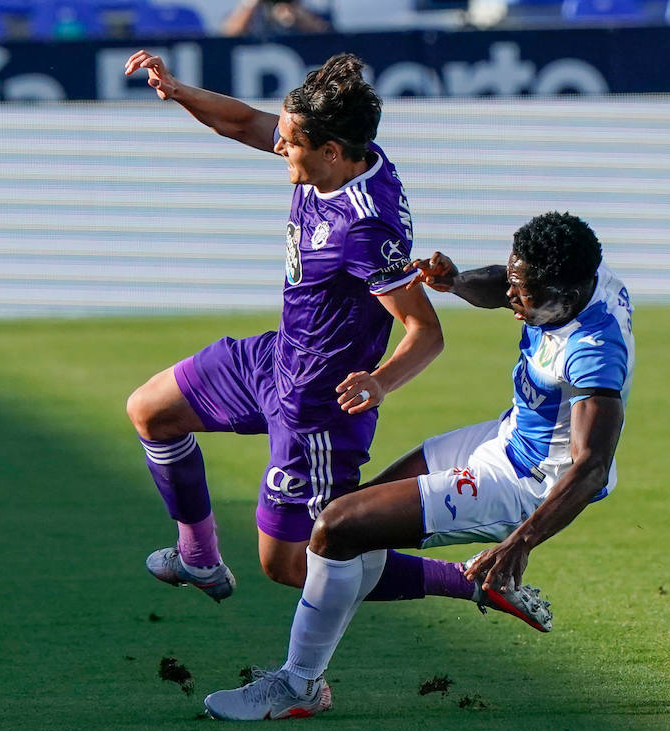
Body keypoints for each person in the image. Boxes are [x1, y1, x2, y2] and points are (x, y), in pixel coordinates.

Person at [202, 211, 635, 721]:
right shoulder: (587, 276)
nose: (513, 298)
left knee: (338, 529)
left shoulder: (593, 353)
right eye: (517, 281)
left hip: (527, 484)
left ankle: (297, 683)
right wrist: (457, 282)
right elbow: (508, 280)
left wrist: (520, 541)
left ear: (566, 292)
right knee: (353, 520)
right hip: (506, 437)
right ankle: (316, 671)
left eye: (526, 294)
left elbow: (590, 468)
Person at [123, 51, 455, 605]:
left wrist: (379, 382)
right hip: (276, 357)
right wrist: (178, 90)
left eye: (290, 141)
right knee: (151, 411)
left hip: (318, 405)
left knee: (294, 564)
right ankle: (199, 558)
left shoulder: (363, 226)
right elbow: (246, 123)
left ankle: (468, 579)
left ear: (328, 152)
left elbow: (426, 331)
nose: (278, 145)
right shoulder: (337, 153)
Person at [221, 0, 330, 36]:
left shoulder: (303, 6)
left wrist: (297, 14)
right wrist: (251, 4)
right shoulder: (250, 6)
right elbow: (229, 32)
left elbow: (324, 33)